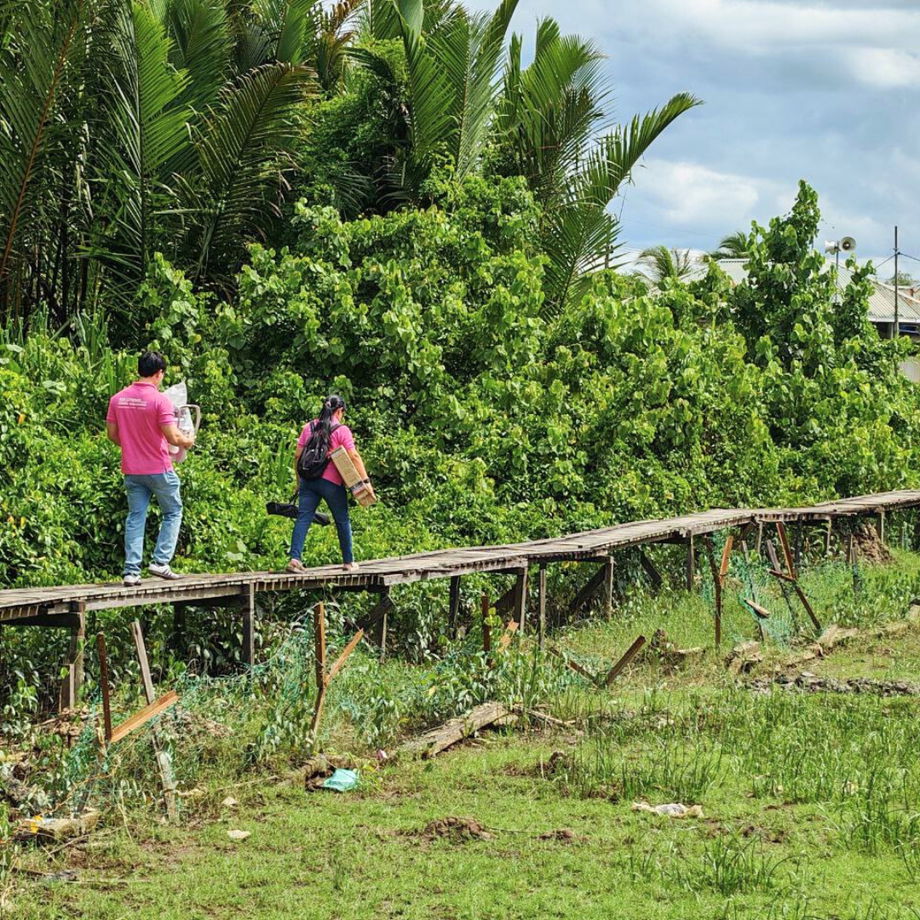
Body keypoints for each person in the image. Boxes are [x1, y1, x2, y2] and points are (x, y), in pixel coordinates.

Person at [106, 351, 196, 586]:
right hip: (158, 467)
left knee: (135, 517)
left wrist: (134, 444)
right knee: (173, 511)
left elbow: (113, 435)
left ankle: (131, 572)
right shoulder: (160, 400)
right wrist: (187, 441)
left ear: (139, 370)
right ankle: (160, 561)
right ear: (159, 373)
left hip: (132, 469)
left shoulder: (118, 399)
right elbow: (173, 436)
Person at [288, 395, 374, 573]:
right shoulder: (341, 430)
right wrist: (365, 482)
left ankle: (295, 559)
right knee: (342, 519)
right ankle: (348, 562)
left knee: (303, 518)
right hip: (331, 482)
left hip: (308, 480)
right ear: (339, 411)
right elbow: (354, 456)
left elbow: (297, 456)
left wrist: (298, 482)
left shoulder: (309, 427)